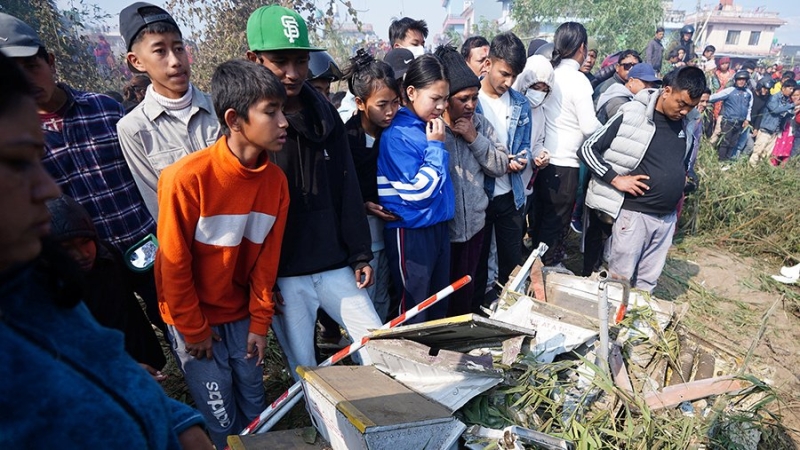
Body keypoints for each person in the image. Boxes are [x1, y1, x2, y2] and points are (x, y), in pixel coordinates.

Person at [0, 50, 212, 450]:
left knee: (162, 322)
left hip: (138, 240)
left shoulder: (33, 286)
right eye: (15, 163)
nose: (47, 189)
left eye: (36, 160)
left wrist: (178, 419)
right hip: (91, 259)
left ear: (52, 62)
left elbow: (99, 356)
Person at [0, 12, 166, 332]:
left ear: (50, 62)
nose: (27, 82)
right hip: (90, 266)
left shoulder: (105, 110)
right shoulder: (16, 138)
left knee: (179, 326)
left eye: (32, 67)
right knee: (127, 344)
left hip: (146, 246)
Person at [156, 59, 290, 449]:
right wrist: (193, 330)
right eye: (271, 112)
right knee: (219, 413)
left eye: (282, 110)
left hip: (241, 315)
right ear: (234, 119)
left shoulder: (276, 182)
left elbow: (267, 261)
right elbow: (173, 264)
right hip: (194, 320)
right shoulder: (185, 179)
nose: (284, 122)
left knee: (254, 401)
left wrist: (260, 323)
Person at [245, 5, 381, 377]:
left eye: (301, 61)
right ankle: (318, 425)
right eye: (280, 61)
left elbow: (346, 185)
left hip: (334, 262)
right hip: (284, 271)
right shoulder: (246, 126)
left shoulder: (325, 114)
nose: (292, 73)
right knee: (304, 365)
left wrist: (359, 253)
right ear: (253, 59)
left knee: (377, 343)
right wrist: (262, 283)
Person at [579, 66, 705, 293]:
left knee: (647, 283)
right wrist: (616, 179)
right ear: (666, 91)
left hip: (665, 219)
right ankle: (609, 324)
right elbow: (588, 149)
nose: (685, 111)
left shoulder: (687, 124)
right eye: (682, 103)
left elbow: (683, 161)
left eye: (691, 107)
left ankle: (634, 324)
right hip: (634, 215)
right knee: (619, 280)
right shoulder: (631, 114)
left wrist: (685, 178)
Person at [117, 2, 220, 221]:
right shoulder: (133, 129)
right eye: (160, 51)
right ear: (136, 61)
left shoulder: (220, 108)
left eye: (179, 48)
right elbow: (160, 208)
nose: (175, 61)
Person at [47, 194, 167, 376]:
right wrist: (122, 367)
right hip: (103, 373)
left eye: (85, 242)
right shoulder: (50, 288)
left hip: (141, 355)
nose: (82, 254)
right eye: (67, 248)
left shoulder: (109, 255)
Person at [378, 54, 455, 323]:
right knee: (413, 307)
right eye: (435, 98)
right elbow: (418, 193)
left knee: (438, 302)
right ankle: (407, 359)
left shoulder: (427, 128)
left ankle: (431, 358)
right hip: (411, 234)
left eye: (445, 99)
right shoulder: (397, 135)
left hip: (436, 228)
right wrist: (435, 147)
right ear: (411, 92)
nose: (442, 106)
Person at [435, 45, 508, 316]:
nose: (470, 105)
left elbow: (500, 165)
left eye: (474, 98)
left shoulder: (480, 124)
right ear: (444, 99)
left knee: (468, 292)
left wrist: (474, 139)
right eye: (463, 99)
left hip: (476, 227)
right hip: (444, 231)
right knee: (442, 295)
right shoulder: (432, 128)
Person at [534, 22, 601, 267]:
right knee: (557, 221)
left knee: (542, 218)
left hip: (542, 159)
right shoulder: (579, 80)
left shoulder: (550, 73)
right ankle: (547, 270)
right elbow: (589, 127)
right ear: (582, 48)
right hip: (565, 163)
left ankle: (538, 264)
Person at [342, 49, 402, 322]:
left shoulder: (396, 132)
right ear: (360, 103)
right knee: (366, 299)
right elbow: (342, 190)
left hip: (393, 230)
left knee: (385, 296)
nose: (390, 112)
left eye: (395, 102)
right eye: (382, 105)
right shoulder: (347, 139)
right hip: (363, 237)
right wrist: (364, 204)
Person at [473, 32, 531, 305]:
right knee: (478, 262)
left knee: (512, 261)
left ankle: (508, 310)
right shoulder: (471, 100)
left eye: (514, 77)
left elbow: (525, 146)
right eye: (504, 73)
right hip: (480, 196)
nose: (508, 82)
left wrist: (522, 158)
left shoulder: (521, 104)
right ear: (488, 63)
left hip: (511, 195)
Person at [511, 55, 553, 251]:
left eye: (544, 90)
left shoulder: (540, 112)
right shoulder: (512, 106)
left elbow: (537, 142)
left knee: (518, 228)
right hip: (506, 182)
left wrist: (541, 155)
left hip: (526, 184)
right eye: (536, 87)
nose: (539, 94)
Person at [750, 78, 797, 165]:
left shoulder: (786, 100)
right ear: (783, 88)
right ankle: (749, 170)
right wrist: (792, 105)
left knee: (766, 154)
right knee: (757, 152)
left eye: (792, 89)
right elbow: (775, 110)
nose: (791, 91)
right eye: (790, 88)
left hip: (774, 131)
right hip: (765, 129)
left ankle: (757, 172)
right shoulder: (774, 97)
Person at [709, 70, 753, 161]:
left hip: (740, 122)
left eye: (743, 80)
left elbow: (749, 107)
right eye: (739, 79)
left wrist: (747, 119)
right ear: (735, 80)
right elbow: (714, 97)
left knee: (733, 143)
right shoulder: (730, 91)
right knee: (725, 142)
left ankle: (727, 161)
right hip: (728, 121)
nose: (741, 81)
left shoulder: (748, 93)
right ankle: (721, 160)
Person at [596, 62, 661, 124]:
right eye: (646, 82)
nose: (650, 87)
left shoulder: (629, 99)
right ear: (631, 81)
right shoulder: (618, 101)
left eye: (652, 84)